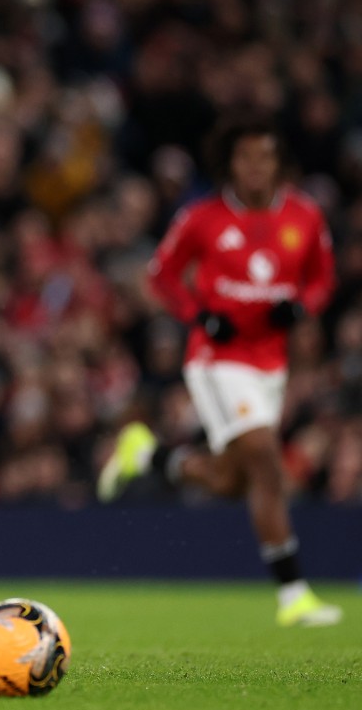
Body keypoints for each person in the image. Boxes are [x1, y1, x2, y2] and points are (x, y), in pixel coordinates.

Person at [98, 114, 342, 627]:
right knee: (265, 457)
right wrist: (198, 314)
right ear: (229, 164)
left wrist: (301, 308)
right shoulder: (202, 217)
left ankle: (149, 454)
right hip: (216, 359)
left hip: (271, 364)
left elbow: (323, 279)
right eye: (245, 157)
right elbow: (160, 276)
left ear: (279, 163)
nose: (255, 167)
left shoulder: (304, 217)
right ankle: (293, 594)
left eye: (265, 156)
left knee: (233, 481)